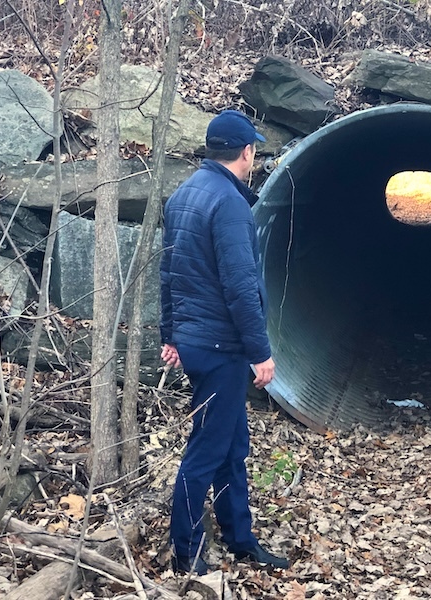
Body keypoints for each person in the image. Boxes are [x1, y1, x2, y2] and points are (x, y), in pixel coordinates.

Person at [160, 109, 288, 574]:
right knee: (207, 453)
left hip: (196, 343)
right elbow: (240, 286)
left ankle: (240, 538)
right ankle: (187, 554)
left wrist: (169, 334)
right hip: (221, 350)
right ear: (247, 152)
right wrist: (260, 353)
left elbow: (168, 272)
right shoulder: (230, 203)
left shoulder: (184, 194)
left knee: (233, 446)